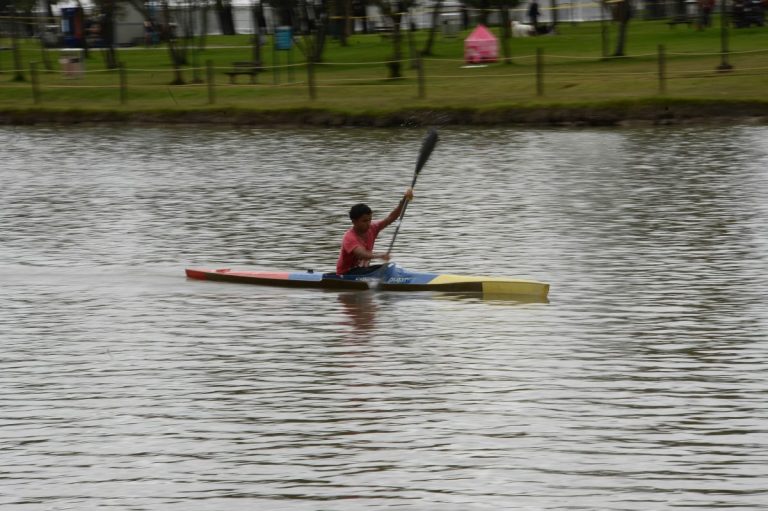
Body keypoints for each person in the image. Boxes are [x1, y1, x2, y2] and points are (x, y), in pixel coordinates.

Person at [336, 188, 414, 275]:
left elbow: (391, 218)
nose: (369, 223)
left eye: (370, 219)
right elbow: (361, 254)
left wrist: (403, 201)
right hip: (346, 273)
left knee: (389, 267)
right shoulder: (349, 237)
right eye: (364, 221)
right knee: (386, 270)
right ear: (354, 222)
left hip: (363, 271)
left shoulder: (373, 227)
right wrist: (380, 255)